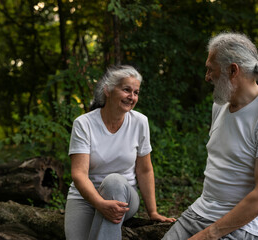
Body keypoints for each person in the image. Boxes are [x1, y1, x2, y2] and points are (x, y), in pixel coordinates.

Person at [162, 32, 258, 240]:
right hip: (200, 212)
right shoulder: (220, 106)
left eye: (210, 69)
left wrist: (207, 235)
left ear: (233, 70)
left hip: (246, 228)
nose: (207, 77)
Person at [64, 65, 175, 240]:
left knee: (113, 181)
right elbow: (79, 174)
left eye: (136, 92)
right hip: (84, 197)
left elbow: (145, 170)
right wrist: (100, 204)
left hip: (124, 196)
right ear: (107, 90)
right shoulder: (84, 124)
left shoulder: (140, 122)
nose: (132, 97)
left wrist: (152, 212)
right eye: (126, 90)